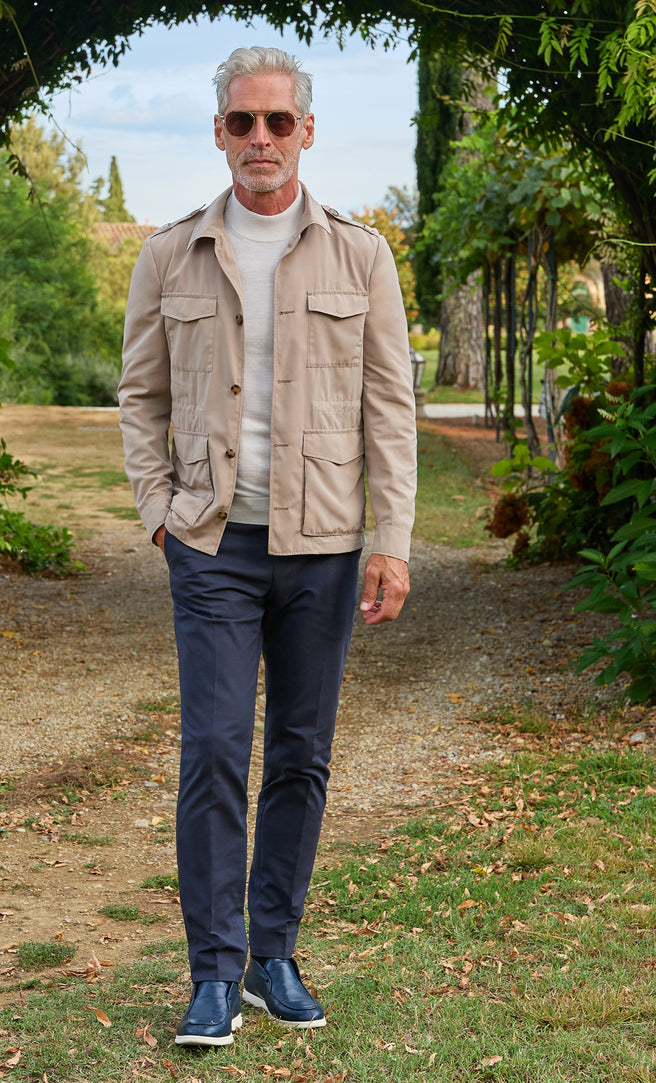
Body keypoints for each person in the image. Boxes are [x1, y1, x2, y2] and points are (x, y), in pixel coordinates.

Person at [118, 45, 416, 1047]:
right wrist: (158, 511)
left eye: (277, 121)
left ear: (306, 131)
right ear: (218, 132)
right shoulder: (170, 254)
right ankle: (212, 970)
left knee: (299, 752)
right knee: (211, 747)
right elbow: (140, 396)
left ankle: (272, 956)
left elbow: (390, 410)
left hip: (322, 545)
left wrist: (390, 541)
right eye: (242, 121)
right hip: (210, 544)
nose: (260, 138)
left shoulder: (360, 257)